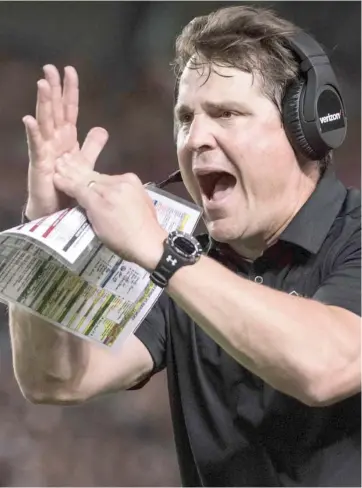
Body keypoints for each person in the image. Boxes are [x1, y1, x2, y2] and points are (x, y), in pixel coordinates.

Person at [9, 5, 361, 487]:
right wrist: (46, 235)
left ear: (308, 129)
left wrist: (163, 254)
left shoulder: (178, 259)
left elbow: (326, 365)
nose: (195, 139)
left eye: (227, 114)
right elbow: (55, 378)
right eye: (185, 118)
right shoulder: (188, 258)